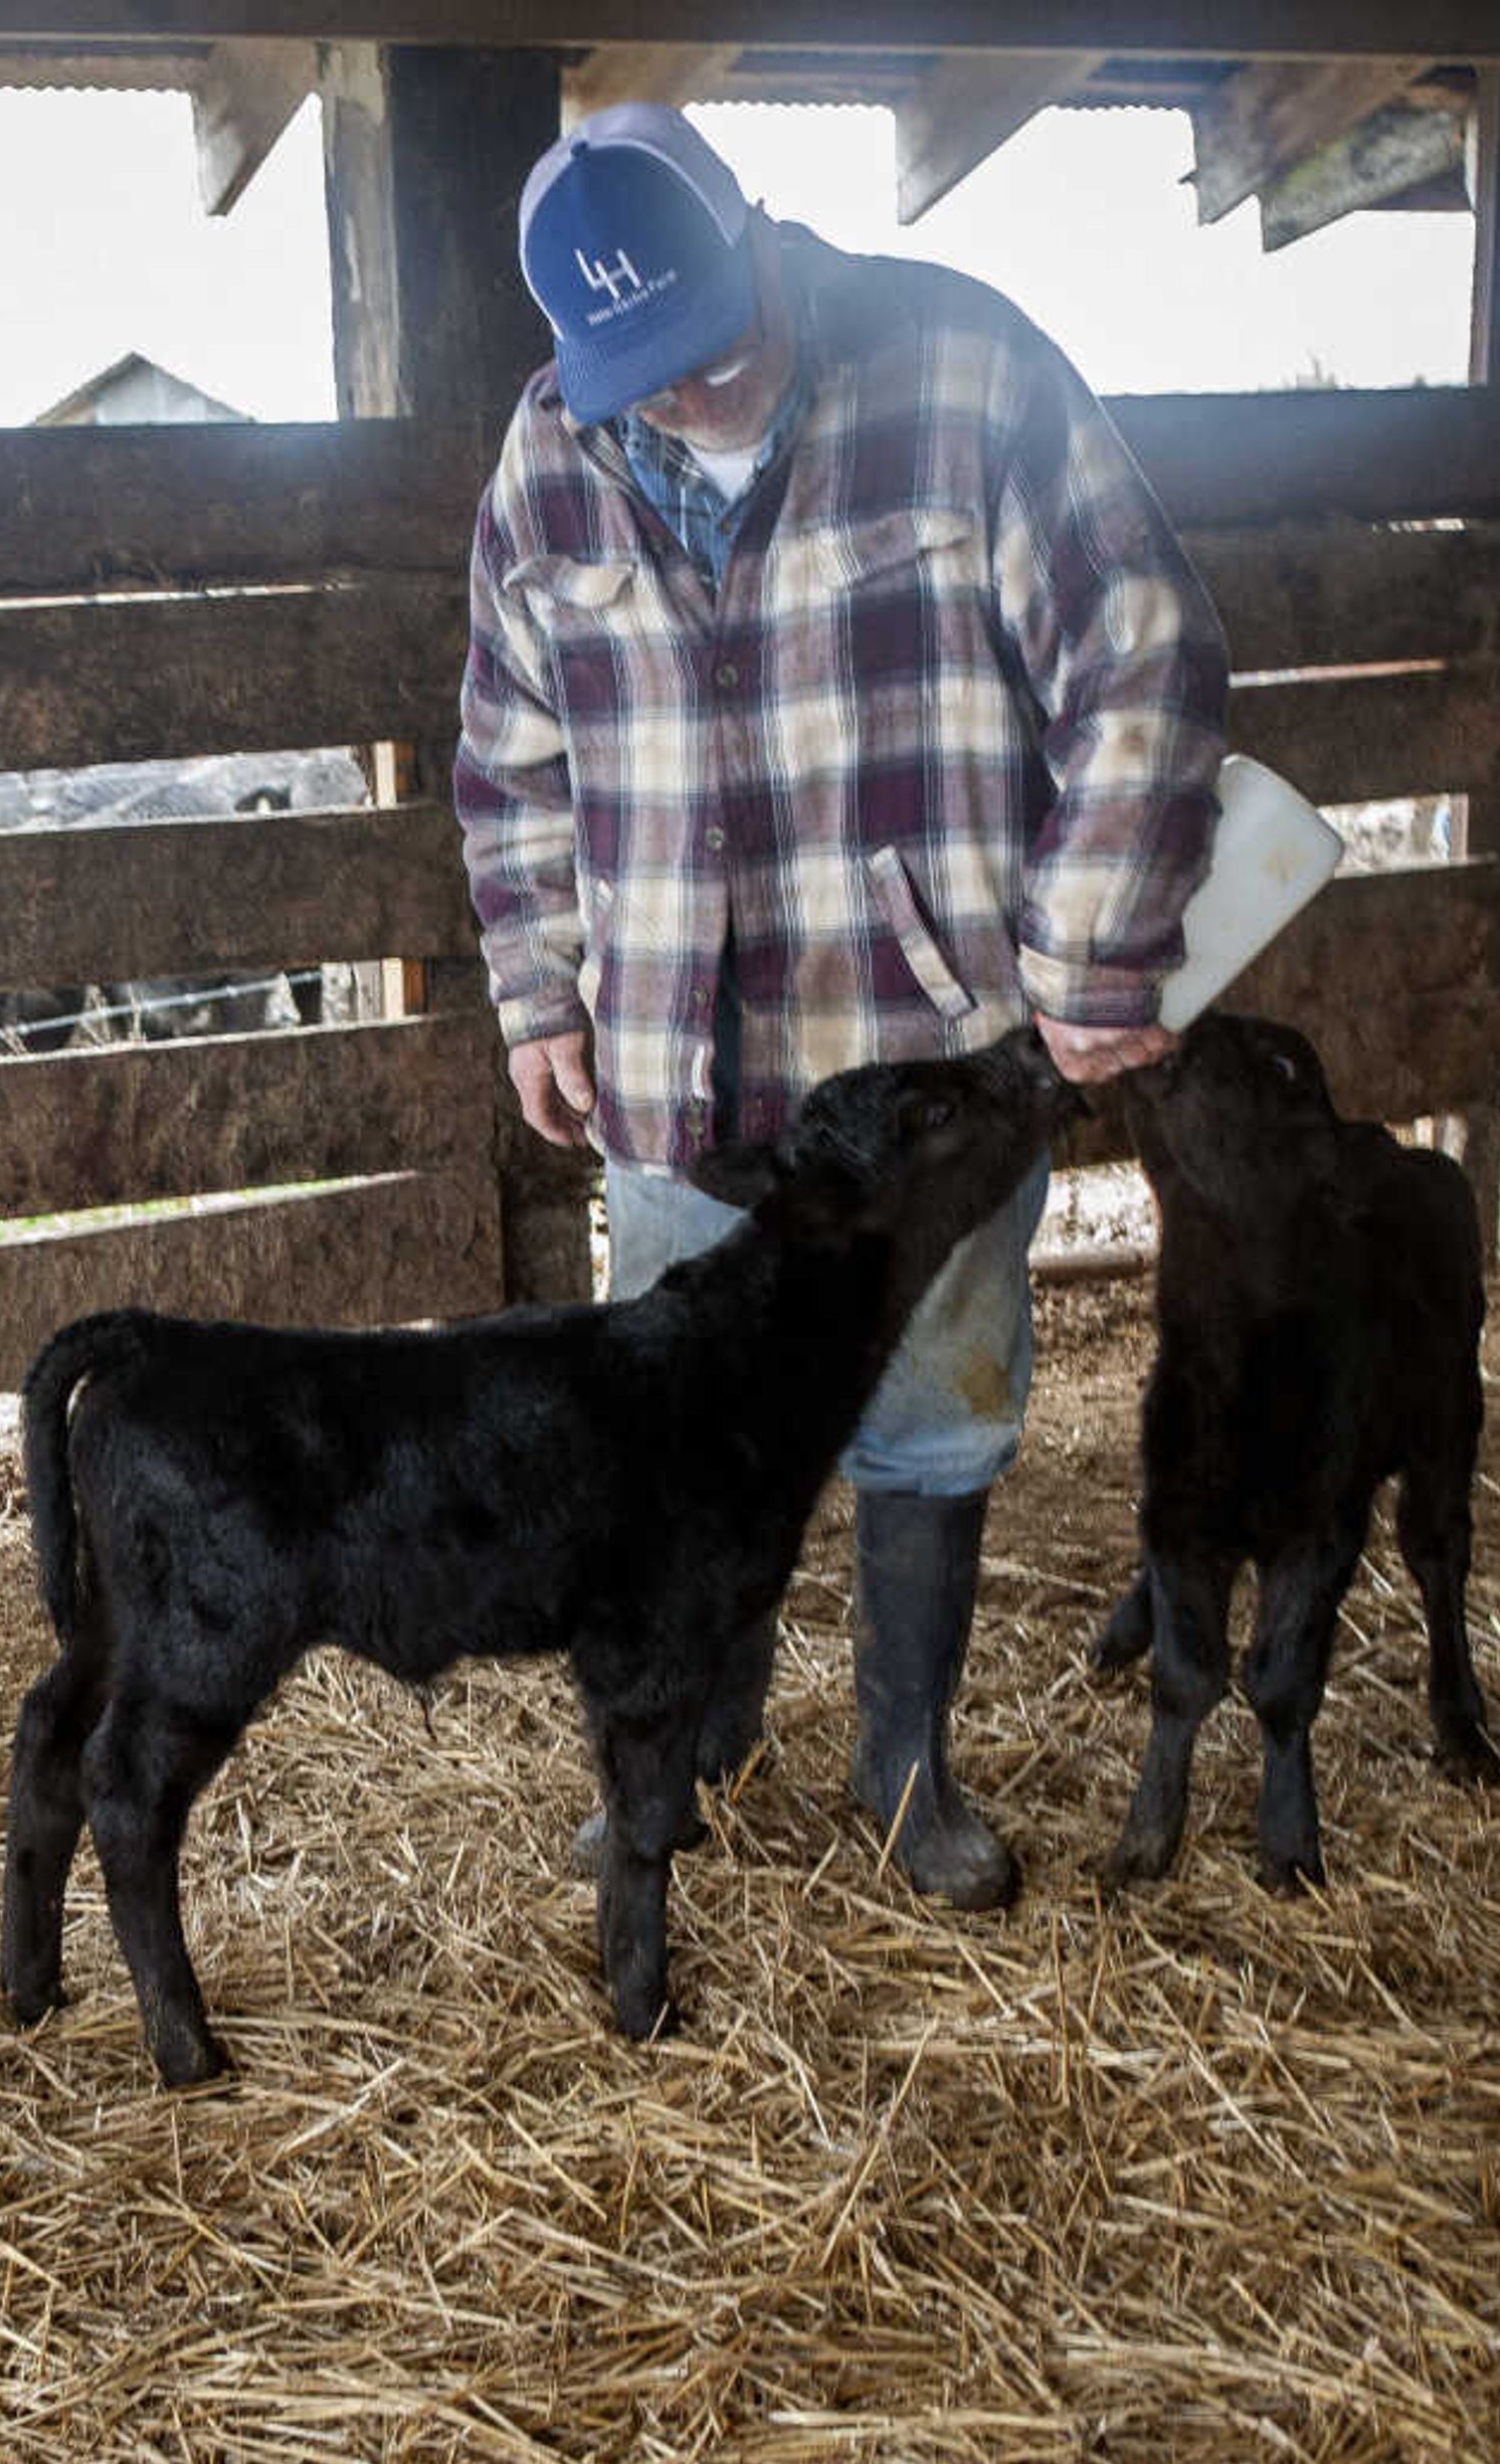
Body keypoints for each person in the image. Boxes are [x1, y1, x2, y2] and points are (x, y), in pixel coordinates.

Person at [455, 101, 1229, 1910]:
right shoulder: (552, 453)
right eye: (643, 371)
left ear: (757, 226)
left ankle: (907, 1767)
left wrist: (1093, 958)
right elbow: (511, 748)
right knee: (673, 1419)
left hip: (919, 1063)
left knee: (933, 1404)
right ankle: (695, 1742)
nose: (692, 390)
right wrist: (537, 987)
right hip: (676, 1057)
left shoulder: (964, 372)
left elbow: (1144, 658)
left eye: (716, 339)